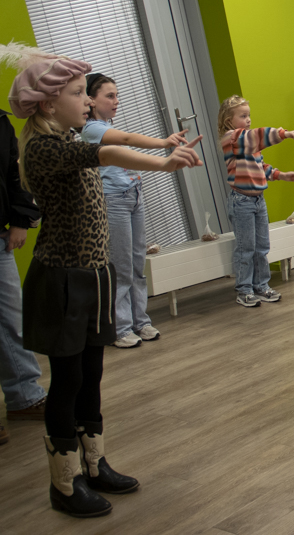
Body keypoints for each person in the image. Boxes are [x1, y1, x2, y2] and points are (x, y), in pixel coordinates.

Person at [1, 42, 203, 517]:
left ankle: (94, 464)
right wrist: (163, 162)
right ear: (48, 104)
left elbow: (109, 144)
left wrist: (161, 151)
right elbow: (108, 152)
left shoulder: (68, 137)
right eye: (77, 93)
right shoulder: (46, 148)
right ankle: (64, 482)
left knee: (91, 374)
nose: (88, 101)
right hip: (63, 278)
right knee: (68, 380)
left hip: (93, 275)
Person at [80, 73, 189, 348]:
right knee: (121, 266)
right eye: (110, 96)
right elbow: (128, 139)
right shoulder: (91, 129)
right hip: (113, 200)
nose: (116, 101)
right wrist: (164, 143)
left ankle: (140, 321)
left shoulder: (105, 126)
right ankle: (120, 328)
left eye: (117, 95)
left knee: (137, 262)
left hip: (133, 195)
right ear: (91, 100)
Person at [217, 96, 294, 308]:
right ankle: (244, 290)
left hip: (258, 201)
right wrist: (285, 133)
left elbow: (260, 167)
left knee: (262, 246)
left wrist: (281, 175)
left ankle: (261, 285)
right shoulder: (231, 139)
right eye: (243, 116)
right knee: (246, 248)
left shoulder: (249, 144)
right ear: (228, 121)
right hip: (241, 202)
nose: (248, 119)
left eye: (249, 115)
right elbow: (257, 135)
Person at [0, 105, 45, 446]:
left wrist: (20, 219)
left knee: (12, 317)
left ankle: (25, 396)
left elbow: (15, 176)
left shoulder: (0, 123)